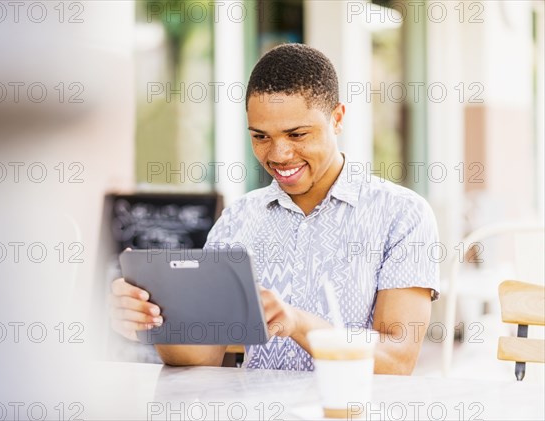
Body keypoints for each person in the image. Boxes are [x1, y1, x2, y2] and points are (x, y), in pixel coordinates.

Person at [110, 43, 439, 374]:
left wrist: (297, 323)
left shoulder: (402, 215)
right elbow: (203, 356)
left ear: (337, 119)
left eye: (297, 134)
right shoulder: (238, 219)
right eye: (260, 137)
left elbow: (397, 359)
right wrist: (154, 317)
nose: (279, 154)